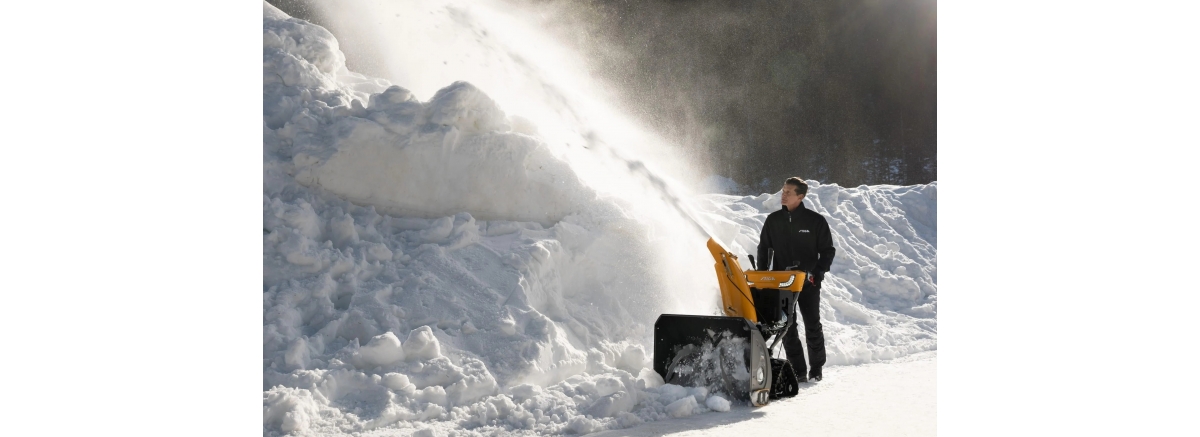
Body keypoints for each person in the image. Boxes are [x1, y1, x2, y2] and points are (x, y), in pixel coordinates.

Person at [757, 177, 836, 382]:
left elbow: (827, 251)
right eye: (783, 190)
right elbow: (764, 248)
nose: (783, 194)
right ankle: (798, 370)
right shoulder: (773, 220)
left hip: (808, 284)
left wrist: (817, 273)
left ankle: (816, 369)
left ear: (800, 196)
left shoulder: (815, 221)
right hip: (781, 284)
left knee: (812, 325)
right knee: (786, 328)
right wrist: (763, 275)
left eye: (788, 192)